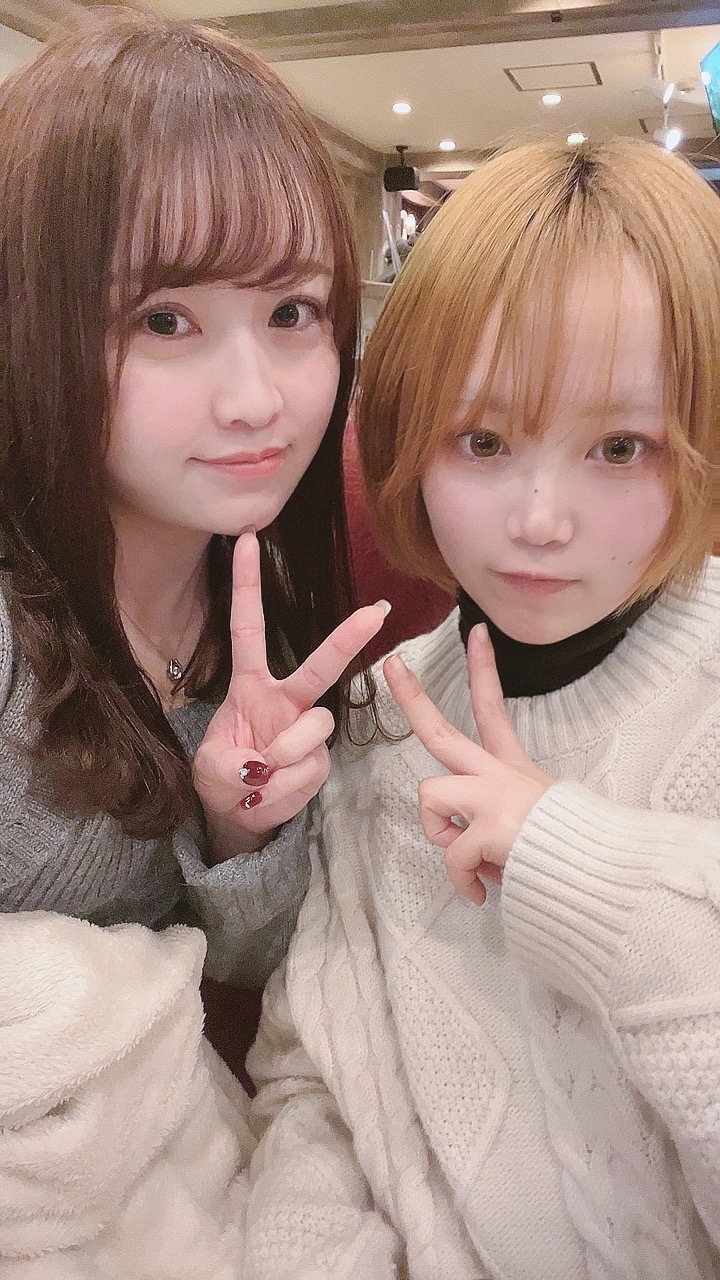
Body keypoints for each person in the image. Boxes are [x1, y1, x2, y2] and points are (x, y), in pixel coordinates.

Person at [245, 138, 720, 1280]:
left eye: (620, 446)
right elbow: (317, 1081)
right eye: (485, 441)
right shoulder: (377, 721)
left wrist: (572, 859)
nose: (540, 519)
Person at [0, 7, 388, 990]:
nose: (255, 400)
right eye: (165, 320)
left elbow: (256, 978)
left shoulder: (269, 601)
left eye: (292, 311)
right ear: (32, 326)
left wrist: (237, 824)